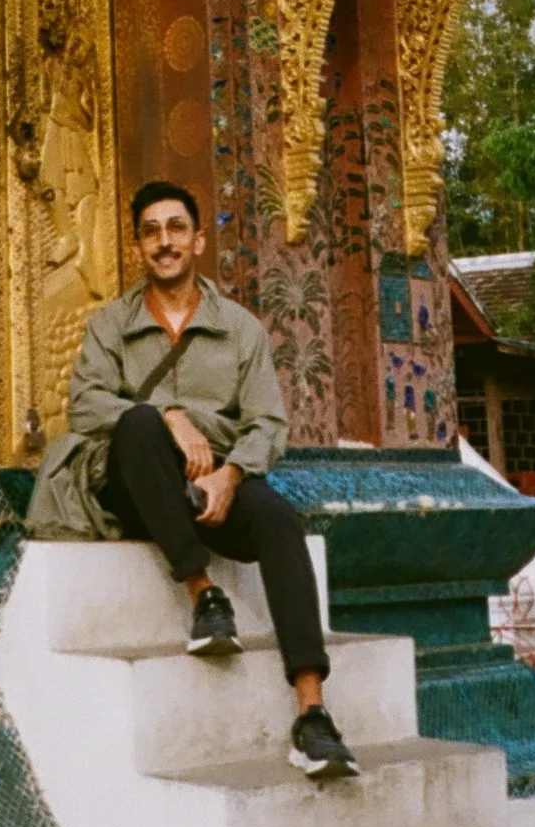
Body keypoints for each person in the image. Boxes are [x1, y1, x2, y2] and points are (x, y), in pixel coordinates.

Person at [27, 179, 360, 782]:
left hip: (211, 487)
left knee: (281, 522)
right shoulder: (110, 325)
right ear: (138, 248)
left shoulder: (240, 329)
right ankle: (203, 593)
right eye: (151, 231)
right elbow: (84, 405)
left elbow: (269, 424)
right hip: (135, 486)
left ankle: (313, 716)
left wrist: (232, 475)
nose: (164, 241)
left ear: (198, 239)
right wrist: (169, 417)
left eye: (176, 228)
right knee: (136, 424)